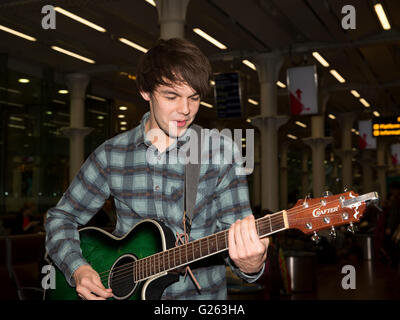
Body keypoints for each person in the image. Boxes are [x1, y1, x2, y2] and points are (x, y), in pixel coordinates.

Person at [45, 38, 269, 300]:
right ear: (145, 91)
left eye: (194, 98)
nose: (185, 109)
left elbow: (240, 241)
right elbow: (60, 218)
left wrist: (251, 264)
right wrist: (78, 269)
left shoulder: (220, 153)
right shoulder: (111, 154)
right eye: (171, 96)